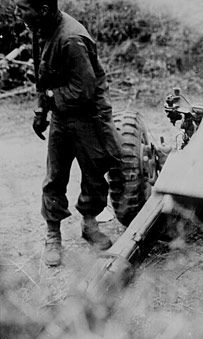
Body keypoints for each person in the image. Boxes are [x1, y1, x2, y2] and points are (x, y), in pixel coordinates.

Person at [14, 0, 122, 267]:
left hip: (88, 117)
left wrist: (50, 97)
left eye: (23, 8)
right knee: (55, 176)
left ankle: (89, 224)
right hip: (63, 114)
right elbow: (44, 75)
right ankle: (53, 234)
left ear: (45, 9)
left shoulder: (72, 39)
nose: (19, 14)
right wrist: (41, 110)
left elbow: (82, 91)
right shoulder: (40, 26)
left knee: (94, 175)